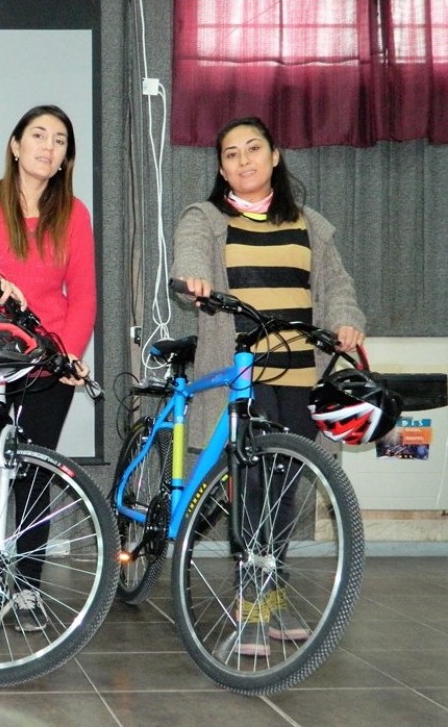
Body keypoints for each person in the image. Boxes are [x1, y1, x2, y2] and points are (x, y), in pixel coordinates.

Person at [171, 115, 365, 655]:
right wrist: (194, 281)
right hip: (243, 378)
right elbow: (187, 258)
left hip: (303, 376)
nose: (243, 160)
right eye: (231, 153)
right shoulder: (206, 218)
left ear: (275, 156)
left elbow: (337, 288)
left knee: (286, 489)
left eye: (253, 149)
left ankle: (269, 593)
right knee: (252, 487)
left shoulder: (311, 225)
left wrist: (347, 320)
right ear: (221, 167)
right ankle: (249, 605)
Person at [0, 104, 96, 632]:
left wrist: (71, 352)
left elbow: (81, 295)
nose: (48, 146)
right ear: (15, 144)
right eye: (38, 135)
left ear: (65, 158)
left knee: (34, 475)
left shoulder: (74, 215)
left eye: (59, 141)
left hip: (44, 358)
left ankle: (28, 588)